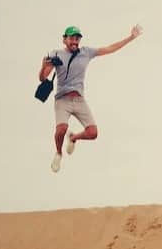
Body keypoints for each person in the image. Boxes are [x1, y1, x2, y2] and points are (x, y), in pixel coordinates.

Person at [38, 24, 143, 173]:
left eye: (77, 38)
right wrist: (43, 66)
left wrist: (131, 38)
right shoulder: (55, 55)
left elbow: (109, 49)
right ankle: (59, 153)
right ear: (64, 39)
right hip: (62, 100)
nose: (75, 41)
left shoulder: (86, 52)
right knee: (62, 129)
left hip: (79, 100)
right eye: (71, 38)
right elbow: (42, 78)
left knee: (93, 133)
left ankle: (74, 138)